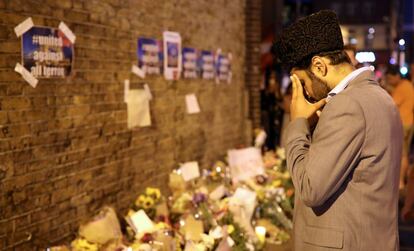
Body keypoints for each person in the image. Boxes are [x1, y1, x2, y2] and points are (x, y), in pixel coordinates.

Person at [273, 10, 403, 251]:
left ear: (319, 67)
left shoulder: (348, 104)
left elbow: (310, 187)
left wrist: (298, 123)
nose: (306, 93)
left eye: (301, 82)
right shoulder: (379, 97)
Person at [385, 64, 414, 190]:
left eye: (390, 79)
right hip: (408, 122)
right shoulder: (407, 85)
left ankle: (401, 183)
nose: (389, 82)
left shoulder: (402, 87)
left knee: (402, 154)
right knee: (405, 153)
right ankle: (403, 181)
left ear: (397, 76)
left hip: (403, 123)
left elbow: (391, 104)